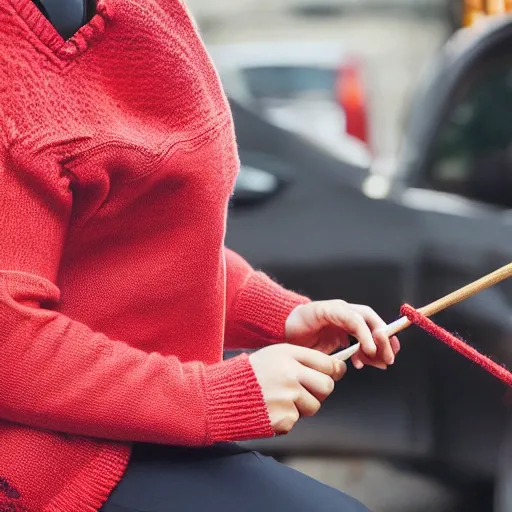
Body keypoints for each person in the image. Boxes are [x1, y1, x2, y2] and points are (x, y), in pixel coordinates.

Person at [0, 0, 400, 511]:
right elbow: (8, 343)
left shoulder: (156, 17)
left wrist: (283, 314)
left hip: (151, 434)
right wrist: (214, 397)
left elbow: (147, 247)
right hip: (52, 464)